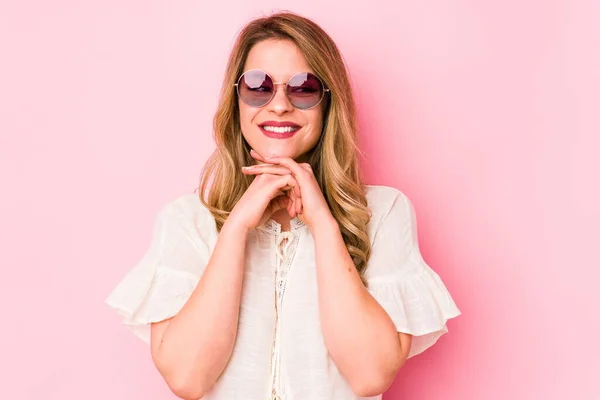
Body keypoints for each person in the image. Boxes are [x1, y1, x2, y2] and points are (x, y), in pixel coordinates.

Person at [104, 11, 461, 400]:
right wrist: (237, 227)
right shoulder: (187, 221)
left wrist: (324, 223)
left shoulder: (383, 213)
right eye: (258, 86)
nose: (279, 105)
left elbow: (370, 375)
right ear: (236, 99)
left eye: (303, 87)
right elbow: (188, 379)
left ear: (328, 103)